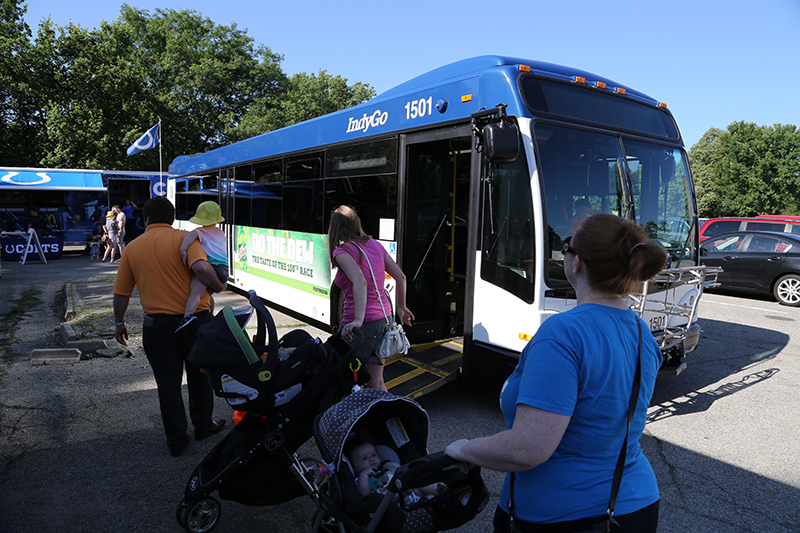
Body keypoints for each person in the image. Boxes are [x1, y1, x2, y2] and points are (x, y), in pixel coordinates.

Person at [445, 213, 667, 533]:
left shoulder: (563, 333)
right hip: (636, 506)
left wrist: (465, 448)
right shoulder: (641, 332)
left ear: (576, 263)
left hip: (563, 517)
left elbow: (527, 449)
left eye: (565, 246)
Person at [112, 196, 228, 457]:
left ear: (146, 219)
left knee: (167, 384)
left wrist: (119, 323)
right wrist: (220, 286)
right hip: (195, 322)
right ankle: (202, 426)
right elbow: (201, 267)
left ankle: (176, 440)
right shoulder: (185, 238)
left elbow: (122, 293)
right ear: (173, 218)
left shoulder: (132, 247)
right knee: (200, 376)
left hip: (157, 326)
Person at [328, 205, 414, 391]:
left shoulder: (342, 251)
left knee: (340, 378)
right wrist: (401, 308)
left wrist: (357, 320)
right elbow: (401, 277)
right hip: (383, 320)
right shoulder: (375, 245)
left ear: (335, 227)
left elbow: (359, 280)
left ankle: (350, 418)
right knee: (376, 381)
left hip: (361, 325)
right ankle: (388, 417)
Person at [177, 201, 228, 332]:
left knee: (195, 292)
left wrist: (183, 249)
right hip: (223, 271)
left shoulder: (200, 231)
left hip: (211, 268)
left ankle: (187, 316)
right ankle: (210, 313)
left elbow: (190, 236)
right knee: (207, 295)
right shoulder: (221, 233)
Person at [347, 438, 445, 504]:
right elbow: (365, 496)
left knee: (419, 481)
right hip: (388, 503)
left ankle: (435, 489)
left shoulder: (384, 467)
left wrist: (391, 465)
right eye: (364, 458)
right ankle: (404, 494)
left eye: (373, 455)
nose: (371, 459)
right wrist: (364, 475)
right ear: (354, 467)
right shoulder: (359, 479)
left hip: (410, 491)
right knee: (381, 497)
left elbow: (400, 469)